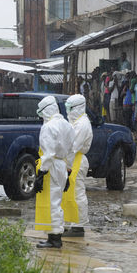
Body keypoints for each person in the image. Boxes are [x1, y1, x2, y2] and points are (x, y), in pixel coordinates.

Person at [34, 96, 75, 248]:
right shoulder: (67, 125)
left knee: (52, 203)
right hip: (62, 165)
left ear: (46, 110)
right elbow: (72, 149)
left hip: (51, 166)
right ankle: (54, 236)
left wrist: (41, 173)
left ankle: (55, 238)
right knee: (56, 201)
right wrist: (68, 170)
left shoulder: (49, 127)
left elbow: (48, 153)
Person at [62, 94, 93, 237]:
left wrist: (67, 165)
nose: (68, 111)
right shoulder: (77, 122)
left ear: (78, 108)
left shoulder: (82, 124)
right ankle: (71, 222)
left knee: (78, 194)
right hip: (72, 160)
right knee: (69, 194)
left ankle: (78, 227)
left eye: (70, 108)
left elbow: (73, 147)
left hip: (77, 161)